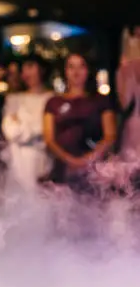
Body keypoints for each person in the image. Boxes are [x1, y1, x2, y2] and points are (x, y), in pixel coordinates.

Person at [43, 53, 116, 188]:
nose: (76, 72)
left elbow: (110, 136)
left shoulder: (101, 100)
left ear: (88, 70)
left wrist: (86, 160)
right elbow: (49, 139)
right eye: (71, 67)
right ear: (65, 71)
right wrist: (70, 161)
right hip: (62, 170)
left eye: (81, 66)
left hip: (95, 169)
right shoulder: (53, 102)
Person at [2, 55, 53, 191]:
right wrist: (34, 131)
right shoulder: (13, 99)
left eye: (30, 67)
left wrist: (23, 126)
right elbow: (11, 131)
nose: (26, 74)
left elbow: (48, 132)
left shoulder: (52, 99)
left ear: (41, 69)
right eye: (23, 70)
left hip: (44, 164)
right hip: (18, 166)